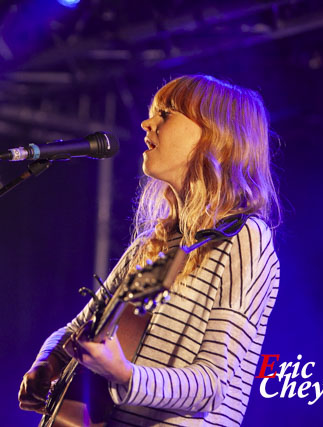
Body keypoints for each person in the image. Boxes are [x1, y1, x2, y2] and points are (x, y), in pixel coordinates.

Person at [19, 75, 281, 426]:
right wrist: (46, 363)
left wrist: (124, 374)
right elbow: (77, 328)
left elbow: (213, 385)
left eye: (167, 113)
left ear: (214, 135)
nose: (147, 123)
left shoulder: (245, 237)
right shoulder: (151, 246)